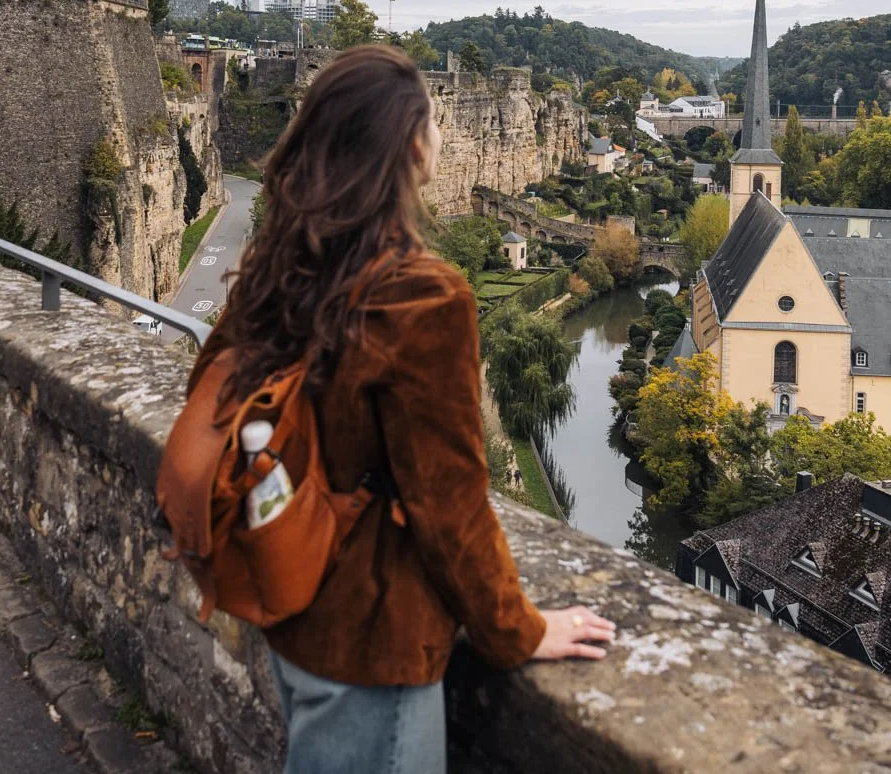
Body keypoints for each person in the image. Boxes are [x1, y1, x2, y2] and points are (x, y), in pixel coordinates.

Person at [191, 45, 613, 774]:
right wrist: (517, 630)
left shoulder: (279, 263)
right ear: (411, 145)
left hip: (290, 600)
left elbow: (213, 393)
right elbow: (449, 504)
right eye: (433, 118)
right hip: (371, 641)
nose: (444, 132)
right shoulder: (424, 295)